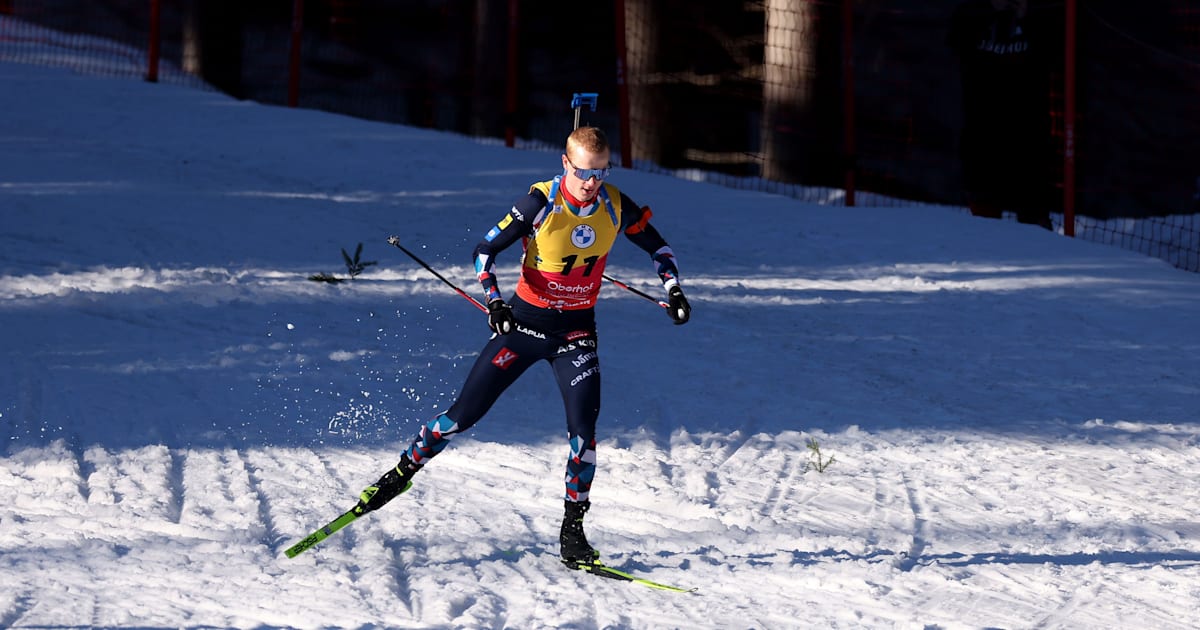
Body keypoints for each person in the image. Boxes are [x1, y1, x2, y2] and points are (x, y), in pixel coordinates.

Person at [353, 126, 691, 568]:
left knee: (584, 438)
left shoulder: (614, 205)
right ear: (567, 164)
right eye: (586, 172)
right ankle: (400, 473)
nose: (593, 182)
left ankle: (573, 534)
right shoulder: (541, 202)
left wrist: (675, 290)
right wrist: (494, 301)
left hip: (576, 334)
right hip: (524, 327)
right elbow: (483, 251)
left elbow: (659, 248)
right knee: (461, 417)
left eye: (602, 172)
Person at [948, 0, 1057, 230]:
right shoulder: (970, 12)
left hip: (1029, 132)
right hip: (982, 130)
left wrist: (1027, 15)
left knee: (1034, 216)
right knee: (984, 217)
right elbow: (955, 42)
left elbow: (1055, 52)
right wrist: (988, 10)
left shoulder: (1044, 13)